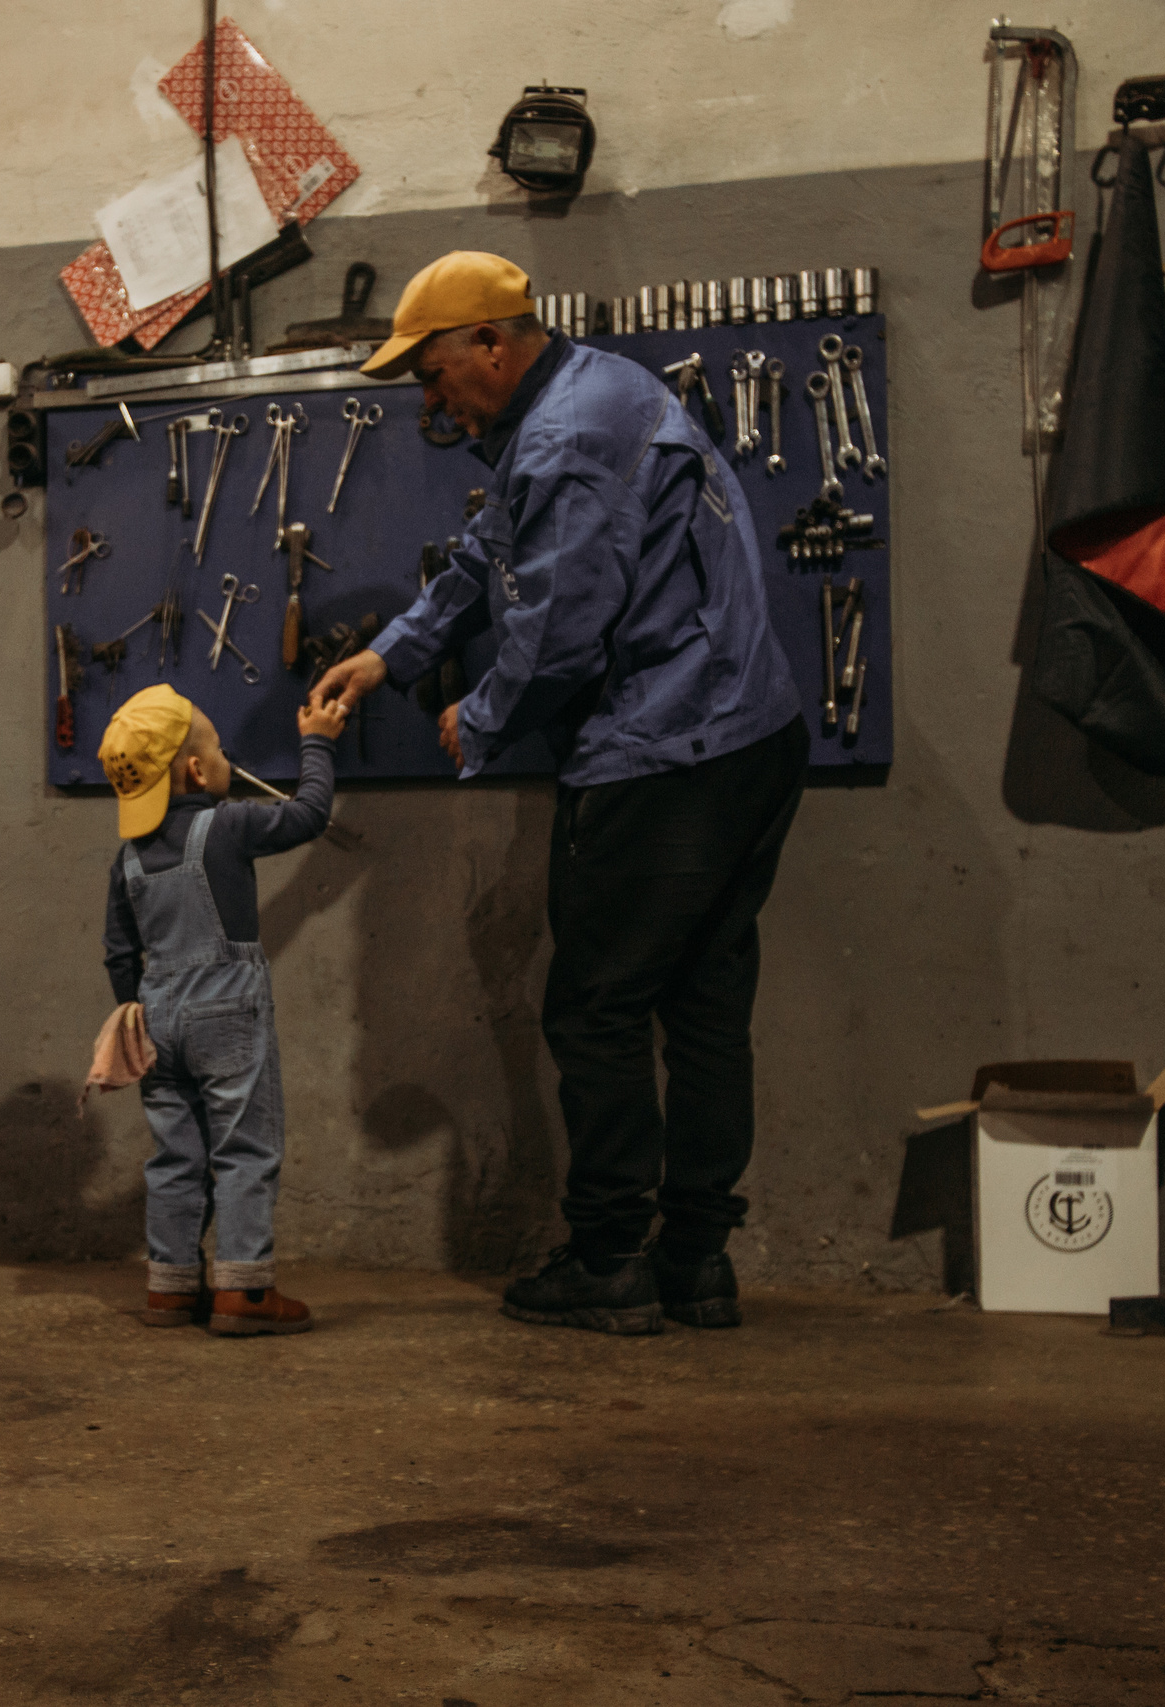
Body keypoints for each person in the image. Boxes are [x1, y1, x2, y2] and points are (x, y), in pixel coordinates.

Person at [311, 251, 808, 1337]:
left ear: (492, 343)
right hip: (750, 739)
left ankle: (606, 1261)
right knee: (707, 1009)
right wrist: (393, 655)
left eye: (436, 376)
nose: (430, 402)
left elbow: (559, 633)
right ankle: (694, 1265)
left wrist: (480, 715)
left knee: (596, 1012)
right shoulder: (601, 387)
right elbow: (496, 549)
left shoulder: (566, 442)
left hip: (667, 754)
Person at [98, 683, 348, 1336]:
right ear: (195, 770)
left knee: (176, 1155)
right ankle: (244, 1290)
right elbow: (311, 813)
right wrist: (317, 740)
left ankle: (171, 1287)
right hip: (227, 1011)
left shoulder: (127, 860)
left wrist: (134, 1008)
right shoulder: (229, 824)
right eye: (219, 752)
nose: (225, 762)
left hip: (155, 1017)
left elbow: (119, 953)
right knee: (243, 1150)